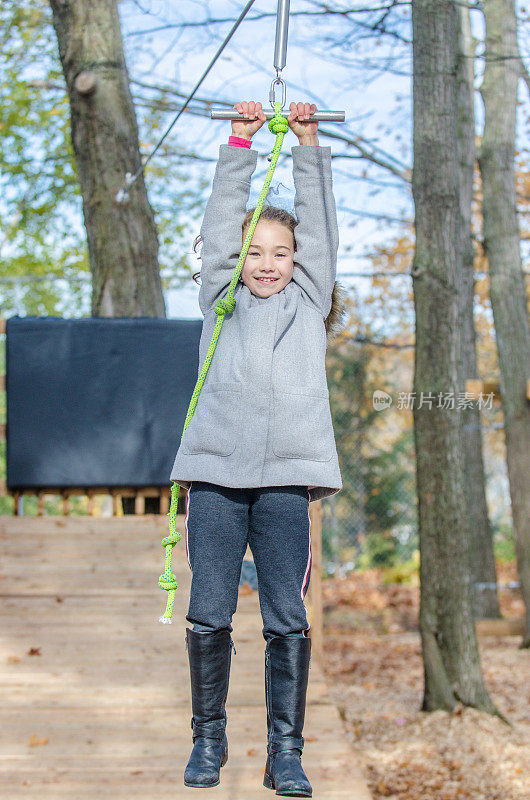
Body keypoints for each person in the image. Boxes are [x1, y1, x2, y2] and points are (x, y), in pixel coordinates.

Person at [170, 99, 343, 797]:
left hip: (284, 480)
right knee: (209, 606)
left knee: (286, 616)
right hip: (214, 474)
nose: (267, 265)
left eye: (281, 253)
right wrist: (239, 141)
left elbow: (322, 226)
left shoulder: (310, 301)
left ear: (297, 262)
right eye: (256, 253)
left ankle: (286, 753)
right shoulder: (221, 297)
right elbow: (220, 221)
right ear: (237, 259)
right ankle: (207, 740)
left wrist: (307, 146)